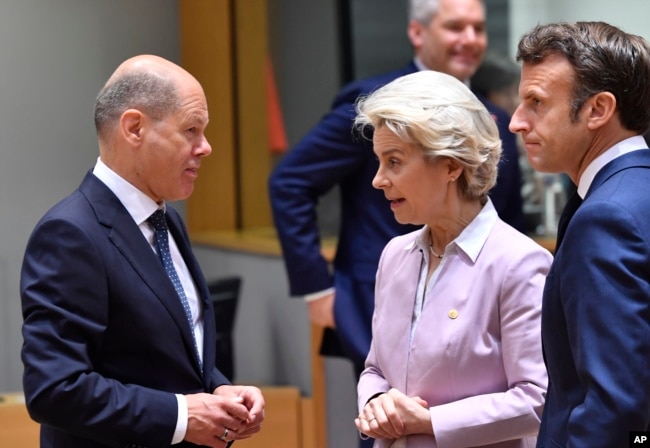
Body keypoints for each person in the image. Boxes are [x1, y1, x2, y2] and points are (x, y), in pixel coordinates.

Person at [268, 0, 523, 386]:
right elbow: (290, 182)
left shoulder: (497, 119)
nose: (470, 40)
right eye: (455, 27)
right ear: (418, 34)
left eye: (479, 28)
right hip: (383, 298)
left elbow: (505, 213)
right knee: (385, 425)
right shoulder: (376, 105)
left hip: (476, 304)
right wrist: (317, 290)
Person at [20, 55, 265, 448]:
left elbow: (164, 356)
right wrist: (184, 415)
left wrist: (220, 391)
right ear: (134, 128)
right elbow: (55, 390)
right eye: (191, 130)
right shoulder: (70, 233)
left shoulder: (166, 220)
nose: (206, 148)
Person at [353, 70, 551, 448]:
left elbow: (537, 399)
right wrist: (376, 402)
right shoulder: (395, 255)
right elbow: (375, 369)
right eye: (379, 162)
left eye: (394, 162)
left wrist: (430, 422)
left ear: (450, 165)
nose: (378, 179)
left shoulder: (520, 263)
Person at [509, 21, 650, 447]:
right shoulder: (633, 190)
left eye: (536, 103)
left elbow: (615, 403)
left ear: (597, 110)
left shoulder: (606, 217)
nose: (517, 122)